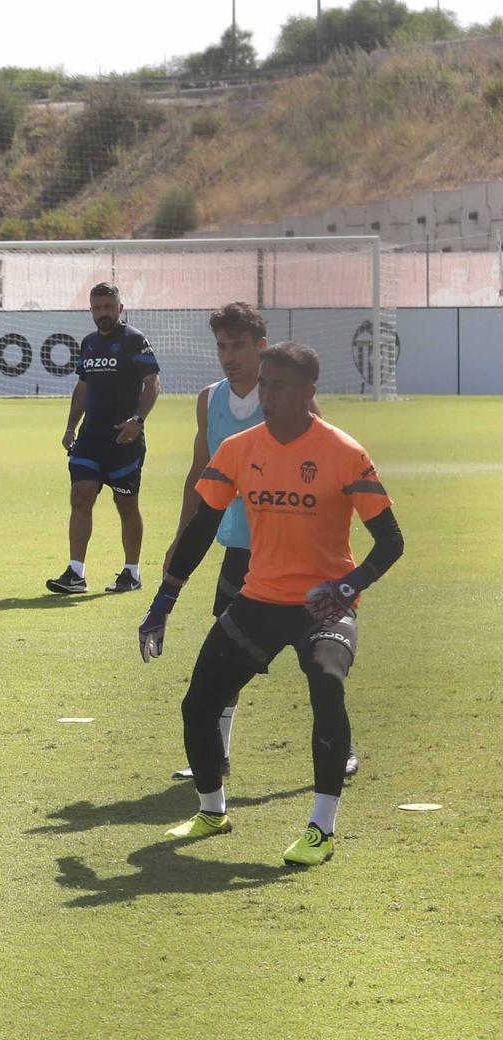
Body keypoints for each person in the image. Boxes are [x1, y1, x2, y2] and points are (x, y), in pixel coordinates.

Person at [139, 342, 403, 867]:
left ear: (309, 392)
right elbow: (201, 528)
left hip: (323, 608)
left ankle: (321, 829)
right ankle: (212, 811)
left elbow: (391, 541)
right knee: (198, 705)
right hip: (257, 601)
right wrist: (164, 599)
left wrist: (347, 588)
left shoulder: (344, 452)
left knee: (327, 685)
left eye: (279, 385)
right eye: (264, 383)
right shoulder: (238, 449)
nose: (267, 394)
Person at [167, 303, 359, 782]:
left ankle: (343, 749)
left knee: (319, 661)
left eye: (238, 345)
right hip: (238, 549)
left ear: (261, 346)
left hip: (297, 555)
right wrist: (181, 534)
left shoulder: (289, 397)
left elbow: (326, 458)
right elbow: (200, 469)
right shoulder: (208, 398)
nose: (228, 356)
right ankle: (216, 754)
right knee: (225, 657)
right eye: (221, 346)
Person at [48, 282, 159, 595]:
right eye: (97, 308)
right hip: (90, 438)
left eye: (109, 307)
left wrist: (137, 421)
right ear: (91, 310)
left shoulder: (135, 341)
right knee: (81, 495)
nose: (103, 314)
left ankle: (132, 571)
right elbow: (83, 388)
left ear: (120, 308)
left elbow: (153, 384)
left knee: (125, 503)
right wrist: (71, 427)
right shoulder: (89, 344)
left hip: (124, 440)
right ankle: (75, 573)